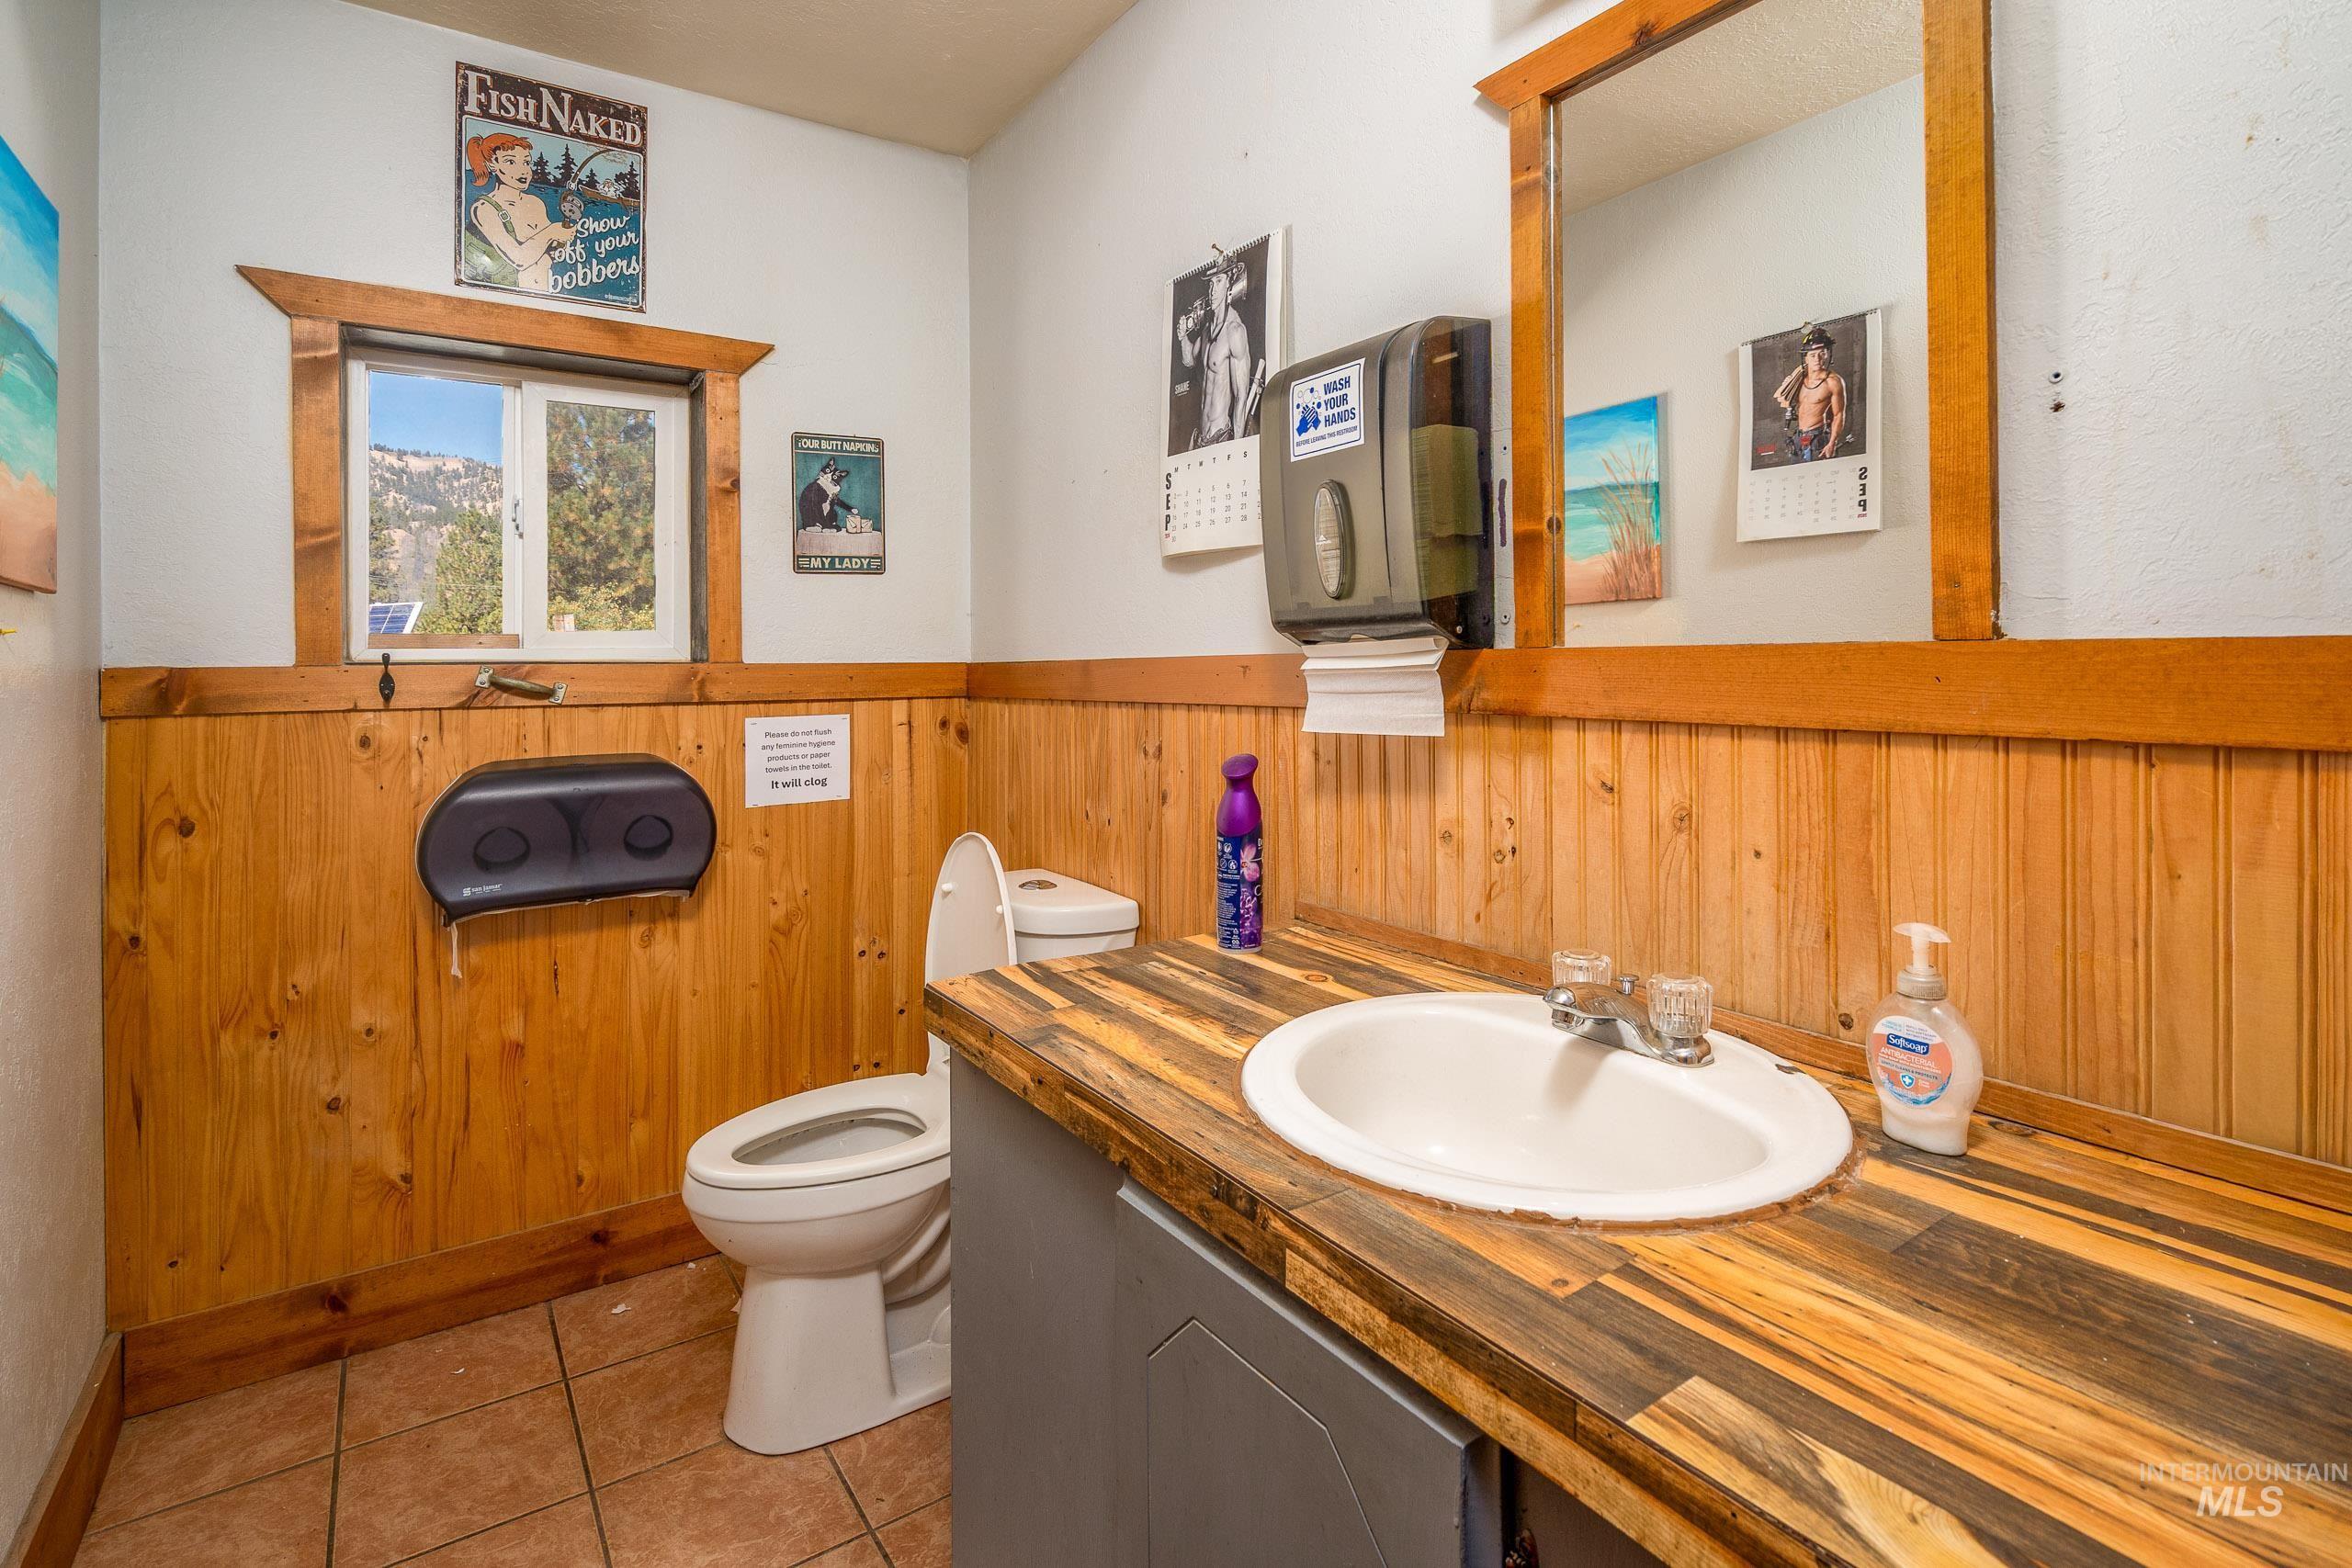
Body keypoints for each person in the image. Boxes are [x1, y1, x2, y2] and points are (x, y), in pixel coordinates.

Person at [462, 131, 575, 291]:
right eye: (511, 162)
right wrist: (551, 232)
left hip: (543, 296)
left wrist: (562, 235)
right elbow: (519, 259)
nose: (523, 170)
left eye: (526, 162)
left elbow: (551, 246)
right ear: (492, 164)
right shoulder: (484, 209)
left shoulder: (535, 204)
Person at [1174, 257, 1263, 449]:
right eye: (1211, 284)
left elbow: (1241, 397)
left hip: (1221, 437)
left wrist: (1236, 448)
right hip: (1200, 438)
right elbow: (1189, 360)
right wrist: (1182, 338)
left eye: (1219, 281)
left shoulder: (1235, 331)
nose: (1213, 291)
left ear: (1229, 283)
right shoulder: (1207, 330)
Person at [1770, 323, 1848, 462]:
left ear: (1828, 353)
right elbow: (1789, 401)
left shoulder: (1833, 382)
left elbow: (1838, 415)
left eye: (1822, 353)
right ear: (1805, 357)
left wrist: (1832, 443)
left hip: (1818, 439)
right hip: (1798, 438)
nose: (1817, 359)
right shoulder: (1797, 379)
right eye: (1812, 355)